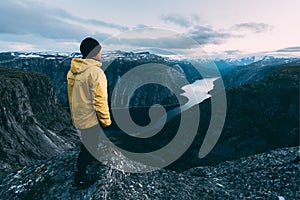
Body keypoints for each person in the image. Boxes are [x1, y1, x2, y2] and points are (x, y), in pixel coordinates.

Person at [67, 37, 112, 189]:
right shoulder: (95, 72)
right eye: (99, 51)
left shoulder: (74, 69)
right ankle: (80, 177)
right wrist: (106, 122)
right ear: (95, 53)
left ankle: (89, 161)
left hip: (79, 115)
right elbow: (100, 100)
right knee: (88, 147)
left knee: (88, 143)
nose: (101, 54)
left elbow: (71, 94)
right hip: (90, 118)